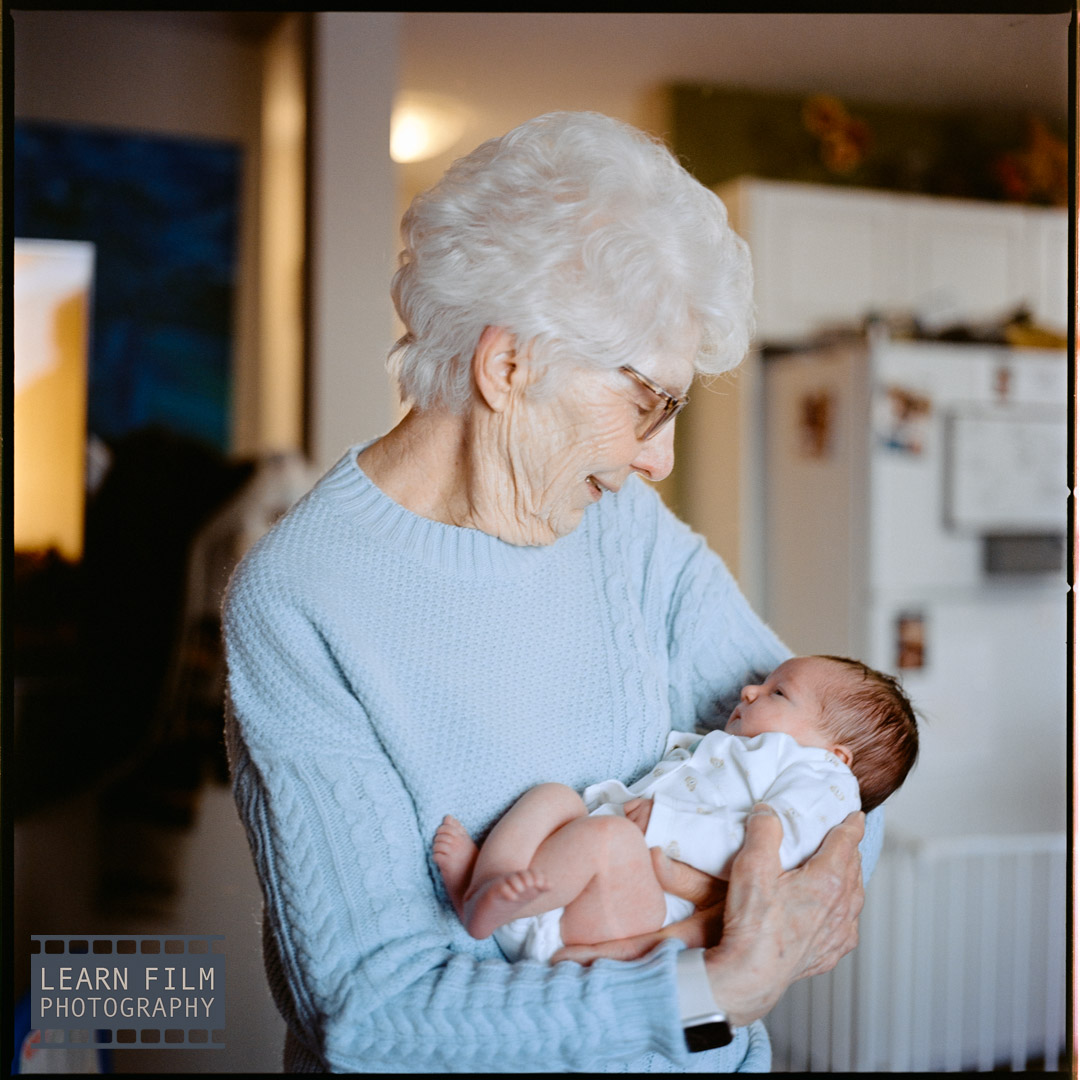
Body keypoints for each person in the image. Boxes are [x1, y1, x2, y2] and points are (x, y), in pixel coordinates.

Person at [223, 111, 878, 1074]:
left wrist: (778, 905)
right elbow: (378, 1015)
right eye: (647, 406)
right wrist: (715, 983)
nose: (659, 459)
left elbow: (838, 758)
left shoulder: (626, 532)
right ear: (510, 364)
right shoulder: (302, 601)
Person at [433, 654, 918, 964]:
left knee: (611, 839)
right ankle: (484, 889)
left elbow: (773, 852)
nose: (749, 691)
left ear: (835, 757)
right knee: (554, 795)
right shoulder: (740, 750)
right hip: (571, 876)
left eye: (778, 692)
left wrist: (667, 824)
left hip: (624, 920)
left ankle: (502, 905)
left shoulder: (821, 782)